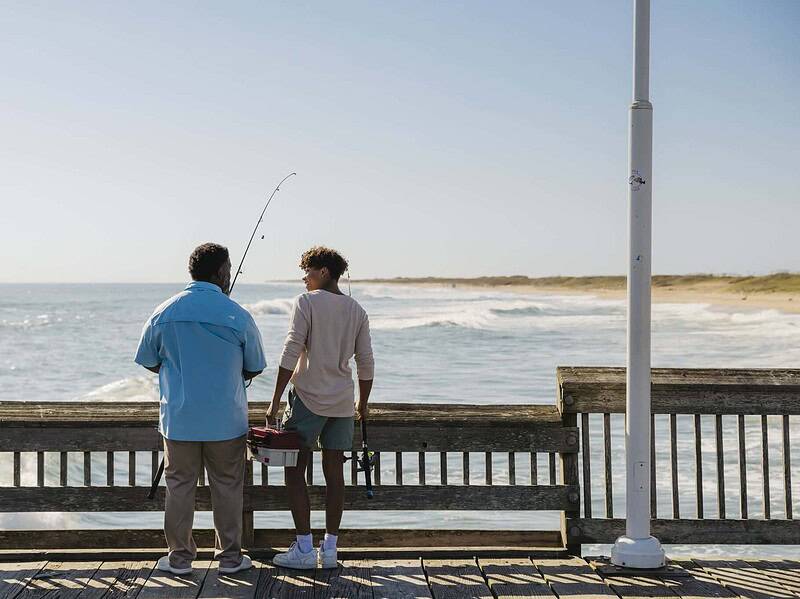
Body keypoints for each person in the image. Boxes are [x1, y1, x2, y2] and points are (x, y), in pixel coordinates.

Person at [134, 242, 266, 575]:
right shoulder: (237, 314)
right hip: (226, 420)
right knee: (227, 486)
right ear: (222, 272)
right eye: (229, 268)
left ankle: (179, 559)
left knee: (179, 486)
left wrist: (177, 371)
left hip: (179, 419)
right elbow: (256, 365)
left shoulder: (164, 312)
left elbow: (148, 360)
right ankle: (230, 559)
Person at [267, 246, 374, 569]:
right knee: (335, 475)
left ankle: (302, 547)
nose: (305, 278)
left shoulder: (307, 303)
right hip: (342, 403)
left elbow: (291, 349)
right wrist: (363, 403)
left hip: (308, 399)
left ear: (324, 272)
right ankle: (329, 550)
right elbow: (366, 362)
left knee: (294, 471)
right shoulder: (357, 310)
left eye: (308, 272)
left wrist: (274, 401)